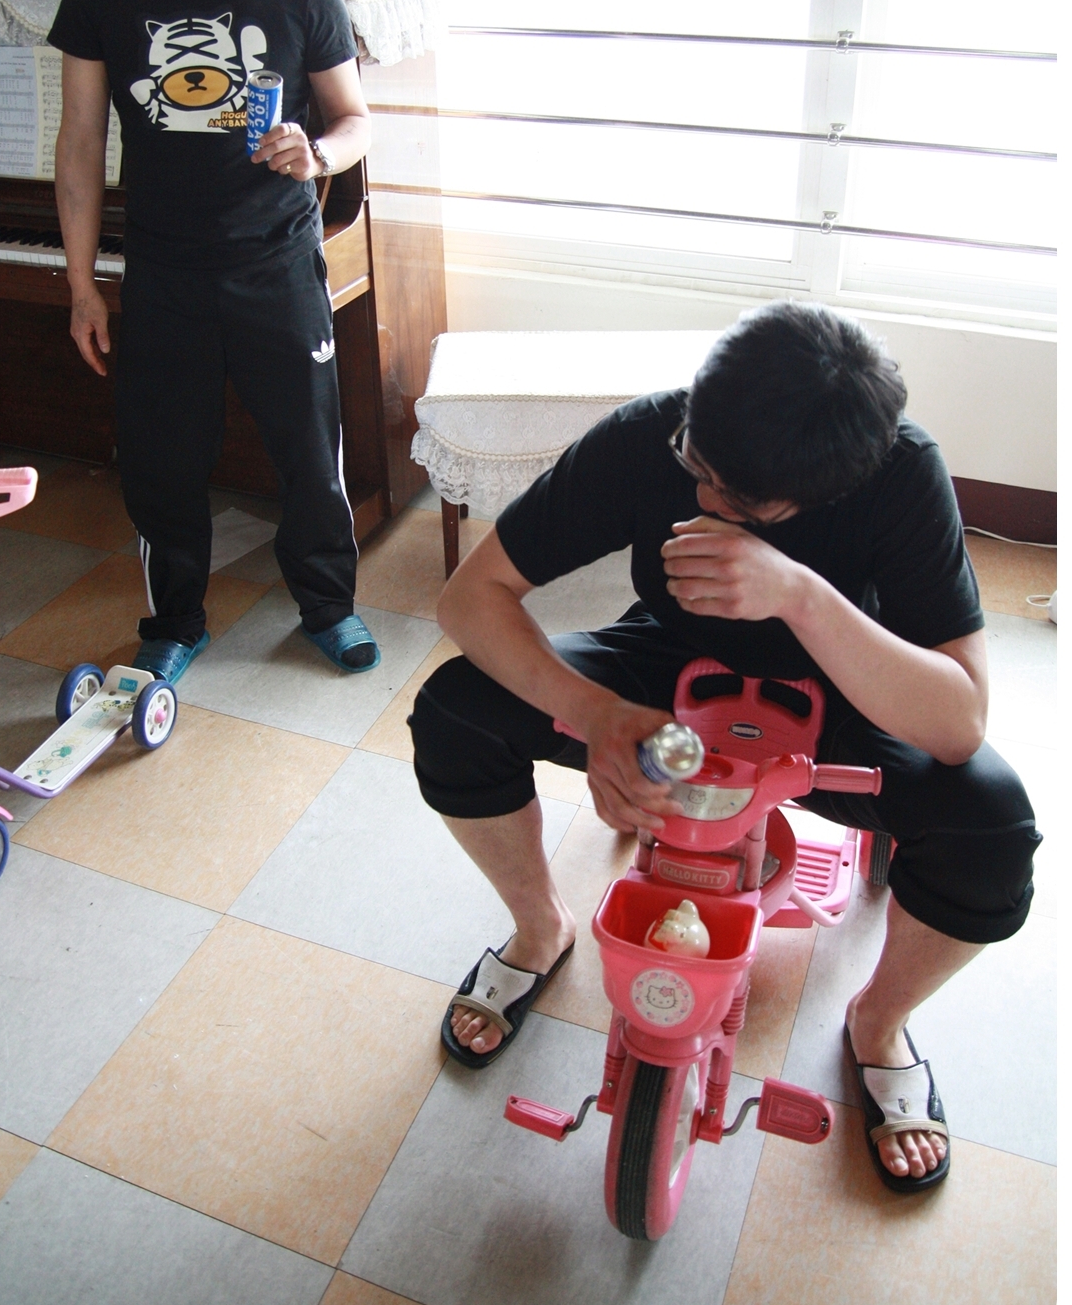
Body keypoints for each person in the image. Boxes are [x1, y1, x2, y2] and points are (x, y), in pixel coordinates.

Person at [409, 301, 1040, 1194]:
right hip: (671, 667)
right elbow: (471, 599)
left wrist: (799, 595)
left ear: (826, 491)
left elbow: (957, 719)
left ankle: (876, 1023)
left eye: (739, 502)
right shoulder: (650, 434)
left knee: (991, 828)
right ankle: (540, 927)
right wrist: (594, 713)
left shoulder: (901, 473)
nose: (705, 500)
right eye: (695, 467)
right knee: (454, 711)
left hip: (841, 688)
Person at [49, 0, 380, 680]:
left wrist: (317, 153)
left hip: (278, 265)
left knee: (310, 454)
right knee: (161, 464)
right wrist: (82, 286)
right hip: (163, 272)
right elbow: (79, 146)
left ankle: (328, 606)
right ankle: (173, 622)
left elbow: (354, 120)